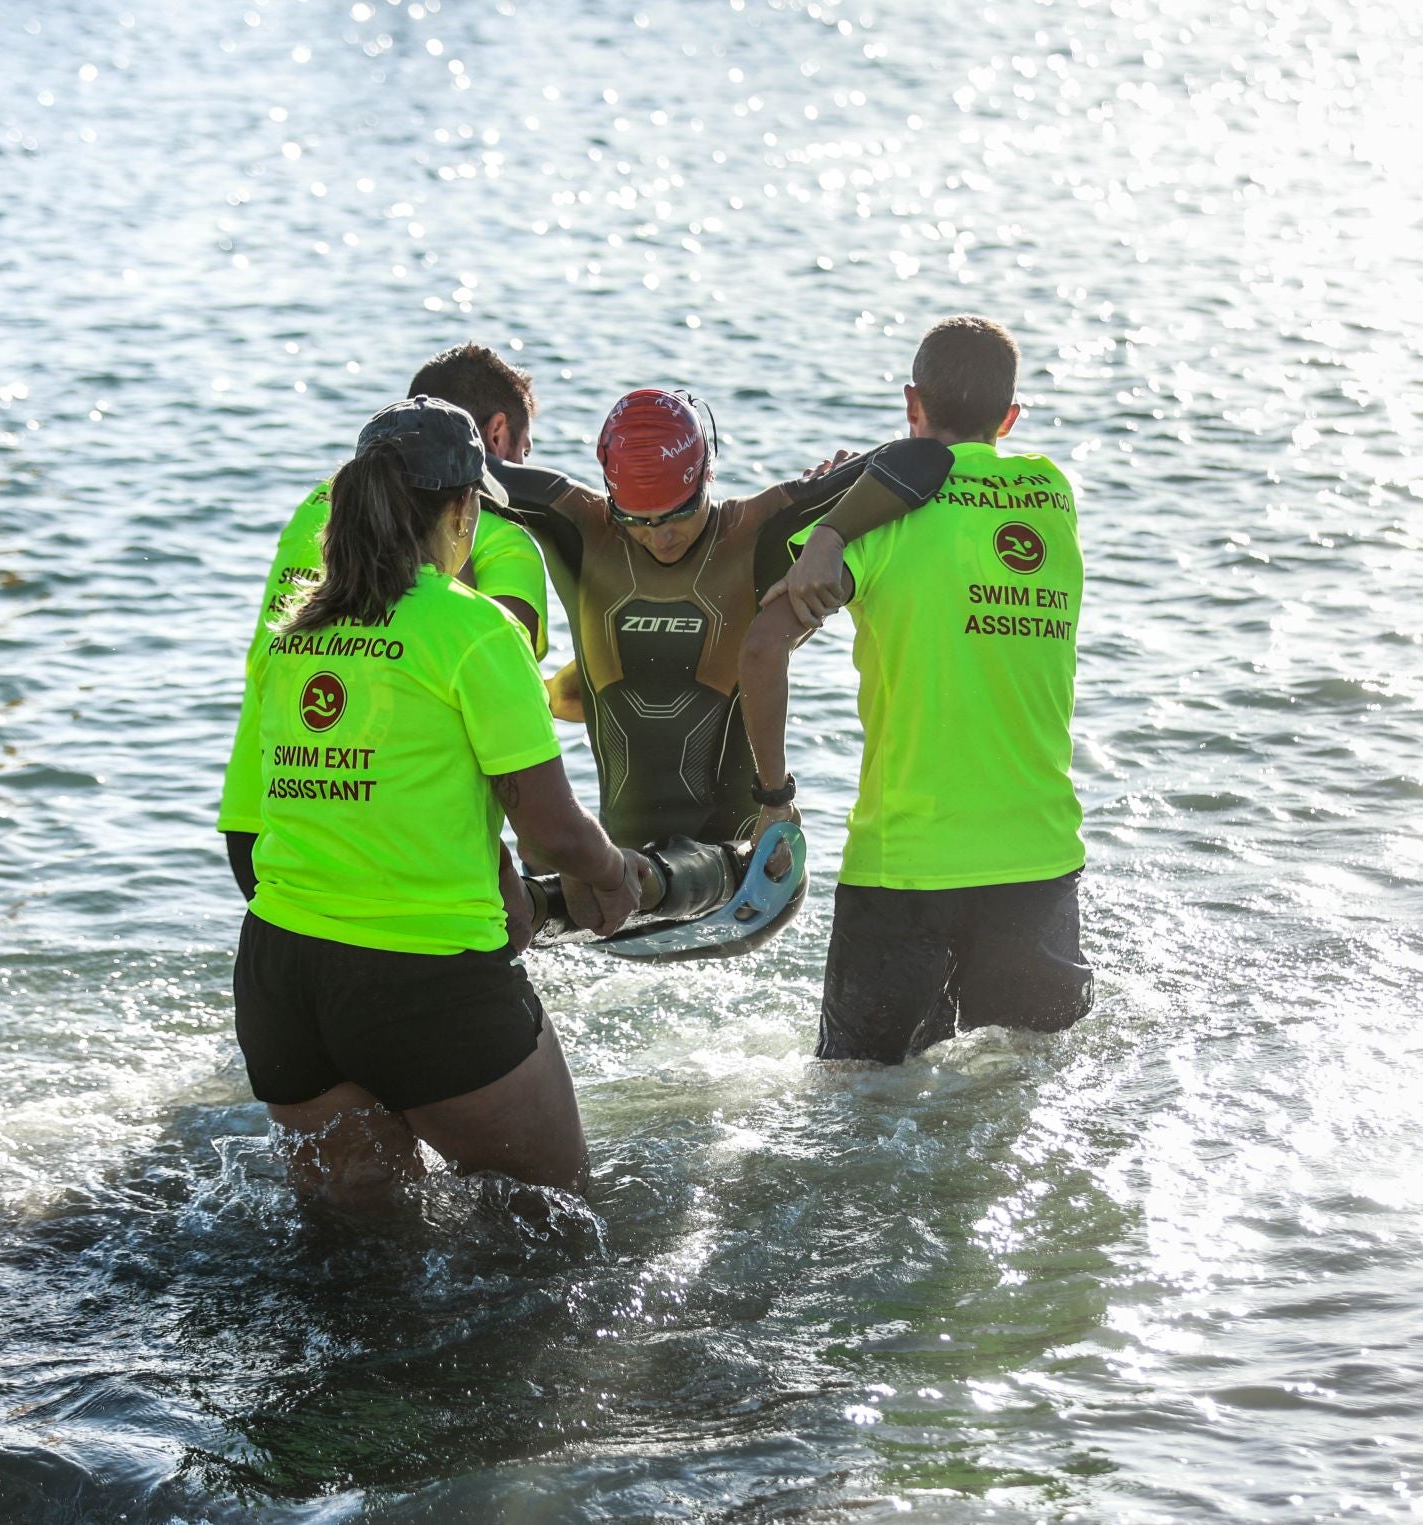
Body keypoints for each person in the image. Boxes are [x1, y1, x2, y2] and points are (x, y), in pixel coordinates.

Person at [233, 395, 646, 1209]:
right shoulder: (474, 628)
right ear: (463, 511)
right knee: (553, 1222)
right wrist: (615, 872)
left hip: (284, 981)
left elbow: (373, 793)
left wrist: (489, 864)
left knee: (358, 1257)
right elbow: (555, 828)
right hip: (424, 985)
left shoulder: (296, 633)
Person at [739, 315, 1095, 1063]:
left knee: (858, 1110)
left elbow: (764, 646)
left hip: (902, 870)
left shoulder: (874, 529)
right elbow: (937, 469)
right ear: (1011, 416)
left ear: (911, 402)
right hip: (1036, 863)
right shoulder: (1052, 494)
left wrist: (774, 793)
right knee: (1020, 1096)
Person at [488, 391, 957, 849]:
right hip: (620, 863)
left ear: (707, 475)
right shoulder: (580, 524)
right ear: (610, 496)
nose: (661, 537)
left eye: (680, 513)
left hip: (735, 860)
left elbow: (922, 458)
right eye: (636, 520)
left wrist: (830, 536)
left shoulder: (757, 528)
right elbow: (450, 460)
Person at [219, 343, 551, 901]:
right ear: (495, 437)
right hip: (392, 834)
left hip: (265, 818)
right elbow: (497, 702)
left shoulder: (319, 508)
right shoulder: (503, 538)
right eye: (522, 449)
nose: (521, 465)